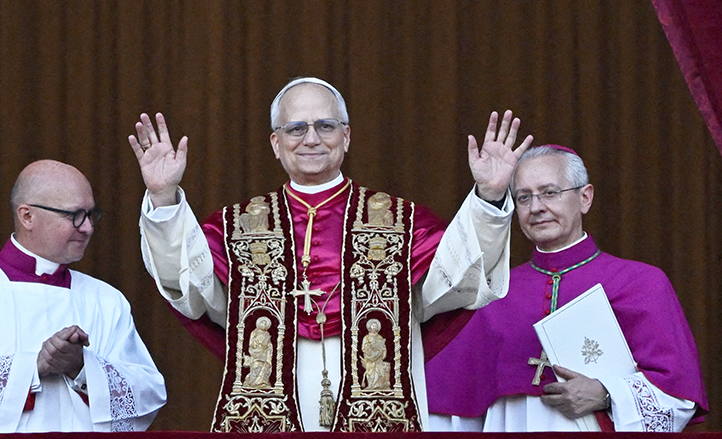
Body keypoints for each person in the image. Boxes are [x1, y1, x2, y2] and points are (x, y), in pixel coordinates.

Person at [131, 77, 532, 432]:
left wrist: (489, 196)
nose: (311, 139)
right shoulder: (236, 228)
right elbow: (189, 288)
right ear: (275, 142)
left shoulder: (400, 222)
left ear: (347, 136)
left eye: (326, 126)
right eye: (296, 128)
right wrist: (164, 198)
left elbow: (458, 280)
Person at [425, 145, 709, 432]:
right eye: (524, 197)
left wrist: (606, 393)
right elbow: (451, 405)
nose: (536, 207)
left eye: (550, 192)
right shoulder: (494, 293)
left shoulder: (641, 282)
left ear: (584, 198)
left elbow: (677, 396)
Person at [0, 160, 167, 433]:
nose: (88, 228)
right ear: (27, 216)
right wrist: (34, 366)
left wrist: (81, 368)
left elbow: (147, 393)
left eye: (91, 214)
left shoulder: (106, 300)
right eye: (75, 215)